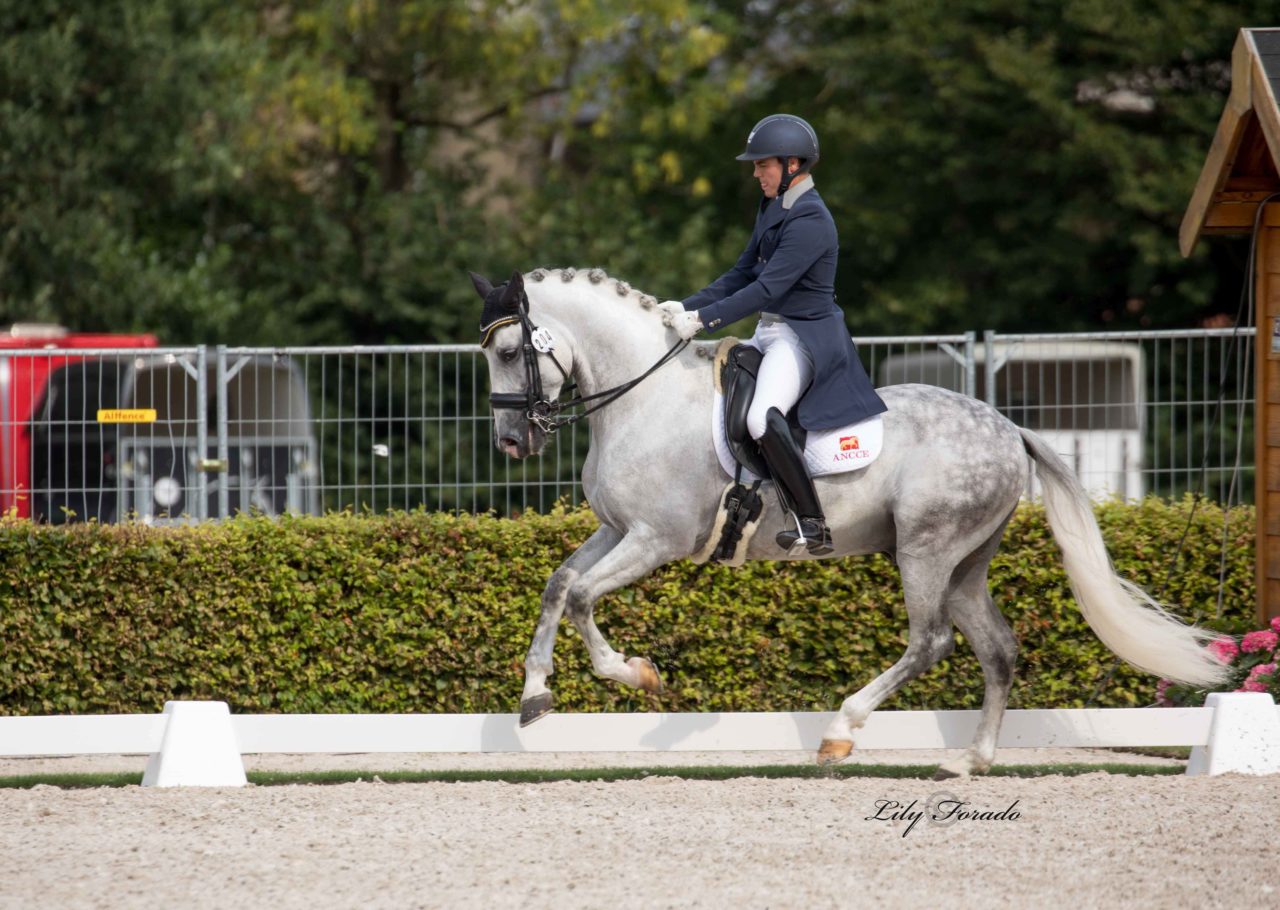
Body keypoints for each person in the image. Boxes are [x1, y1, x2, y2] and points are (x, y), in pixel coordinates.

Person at [661, 113, 887, 555]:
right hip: (769, 331)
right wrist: (683, 306)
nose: (755, 172)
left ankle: (812, 522)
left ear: (791, 164)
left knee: (760, 416)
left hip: (802, 338)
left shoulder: (811, 220)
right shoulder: (773, 206)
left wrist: (704, 320)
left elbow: (767, 288)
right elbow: (742, 271)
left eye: (762, 164)